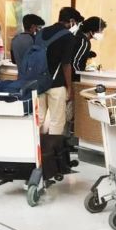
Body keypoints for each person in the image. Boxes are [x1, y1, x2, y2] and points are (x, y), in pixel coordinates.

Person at [42, 7, 83, 135]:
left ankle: (36, 146)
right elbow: (66, 64)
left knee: (38, 119)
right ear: (71, 21)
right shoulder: (68, 36)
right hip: (57, 84)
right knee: (56, 121)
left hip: (39, 83)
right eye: (76, 22)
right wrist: (69, 87)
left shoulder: (42, 32)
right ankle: (52, 147)